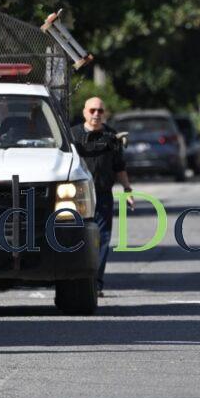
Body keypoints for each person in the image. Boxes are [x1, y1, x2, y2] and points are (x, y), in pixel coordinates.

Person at [71, 97, 134, 297]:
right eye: (92, 111)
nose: (96, 114)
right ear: (84, 113)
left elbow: (119, 166)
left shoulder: (111, 136)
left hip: (103, 195)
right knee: (75, 237)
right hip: (77, 197)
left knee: (103, 238)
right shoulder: (72, 135)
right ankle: (74, 279)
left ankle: (95, 282)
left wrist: (127, 189)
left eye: (100, 111)